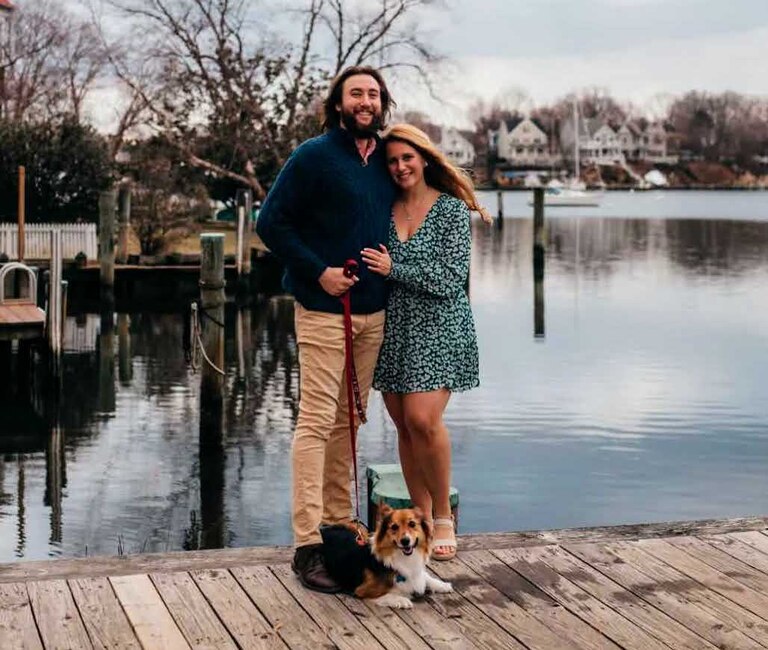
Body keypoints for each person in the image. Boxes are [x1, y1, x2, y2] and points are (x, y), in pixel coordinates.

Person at [256, 67, 396, 592]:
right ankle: (307, 545)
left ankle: (339, 524)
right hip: (322, 309)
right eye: (356, 93)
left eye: (373, 94)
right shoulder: (312, 156)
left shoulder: (385, 160)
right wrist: (319, 271)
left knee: (349, 420)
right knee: (316, 421)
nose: (366, 101)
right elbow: (270, 223)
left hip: (373, 312)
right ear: (338, 103)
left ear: (382, 104)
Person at [361, 124, 491, 560]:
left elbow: (451, 278)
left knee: (423, 419)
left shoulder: (450, 209)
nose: (400, 167)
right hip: (395, 328)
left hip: (440, 327)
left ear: (424, 158)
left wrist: (393, 269)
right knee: (404, 425)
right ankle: (419, 516)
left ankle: (442, 516)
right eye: (392, 161)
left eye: (407, 158)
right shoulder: (384, 208)